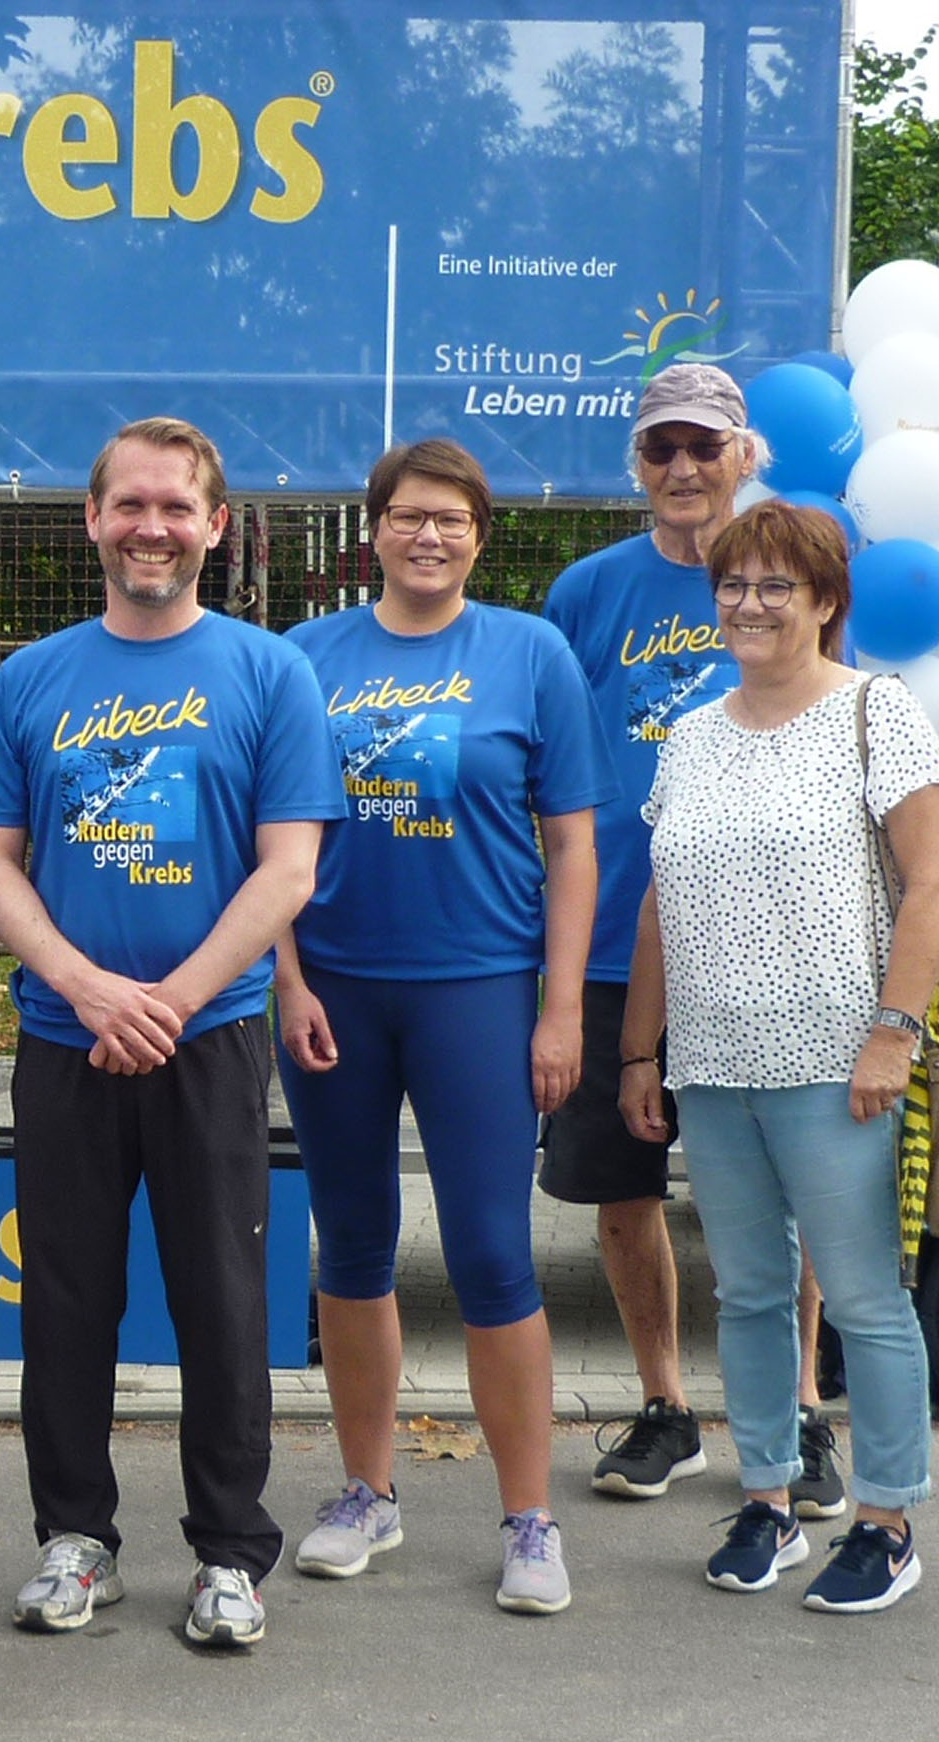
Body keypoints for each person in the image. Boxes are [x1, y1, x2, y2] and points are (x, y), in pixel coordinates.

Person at [0, 416, 339, 1652]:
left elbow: (288, 869)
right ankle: (76, 1541)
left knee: (222, 1295)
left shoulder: (269, 675)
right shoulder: (31, 679)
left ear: (215, 525)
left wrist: (165, 1000)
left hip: (209, 1036)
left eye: (176, 507)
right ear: (93, 519)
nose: (152, 527)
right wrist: (88, 990)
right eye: (130, 504)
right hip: (65, 1038)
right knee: (67, 1296)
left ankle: (229, 1552)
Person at [275, 439, 609, 1612]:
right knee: (351, 1244)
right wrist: (287, 977)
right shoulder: (304, 657)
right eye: (409, 515)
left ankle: (530, 1519)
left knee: (491, 1252)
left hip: (480, 987)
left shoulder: (531, 653)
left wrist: (560, 1008)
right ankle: (367, 1492)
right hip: (336, 991)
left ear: (479, 535)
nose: (429, 535)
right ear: (373, 529)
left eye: (452, 519)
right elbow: (274, 839)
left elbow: (573, 844)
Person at [616, 499, 939, 1614]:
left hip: (836, 1061)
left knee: (862, 1297)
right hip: (713, 1064)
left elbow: (935, 881)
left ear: (824, 602)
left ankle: (887, 1521)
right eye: (733, 584)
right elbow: (660, 902)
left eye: (776, 586)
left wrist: (893, 1033)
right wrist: (637, 1052)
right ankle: (766, 1499)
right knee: (750, 1294)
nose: (750, 604)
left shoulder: (876, 712)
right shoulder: (693, 733)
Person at [540, 367, 848, 1519]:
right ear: (636, 463)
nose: (682, 467)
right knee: (622, 1187)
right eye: (660, 447)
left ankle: (800, 1411)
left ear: (745, 455)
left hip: (766, 947)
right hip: (611, 941)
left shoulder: (792, 572)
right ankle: (665, 1404)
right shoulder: (586, 591)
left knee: (790, 1190)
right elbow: (545, 759)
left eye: (704, 447)